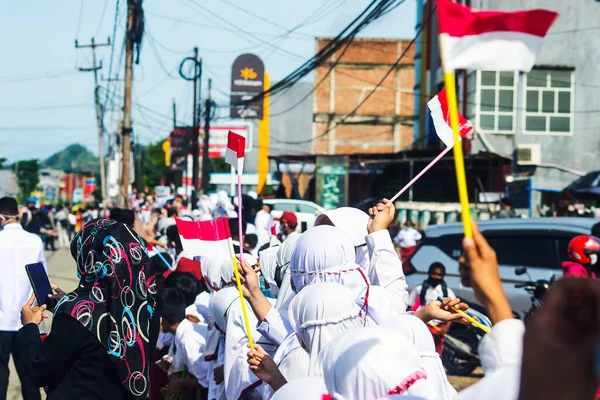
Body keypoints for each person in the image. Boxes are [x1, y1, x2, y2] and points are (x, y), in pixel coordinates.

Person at [16, 218, 158, 400]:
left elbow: (38, 370)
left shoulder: (77, 315)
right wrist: (71, 306)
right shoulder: (146, 303)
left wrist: (30, 327)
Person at [0, 197, 45, 400]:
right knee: (29, 378)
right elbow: (41, 280)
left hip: (1, 322)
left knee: (0, 377)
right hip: (26, 320)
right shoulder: (35, 241)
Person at [156, 287, 208, 399]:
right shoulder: (186, 331)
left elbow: (207, 379)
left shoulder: (188, 341)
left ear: (162, 319)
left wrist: (180, 383)